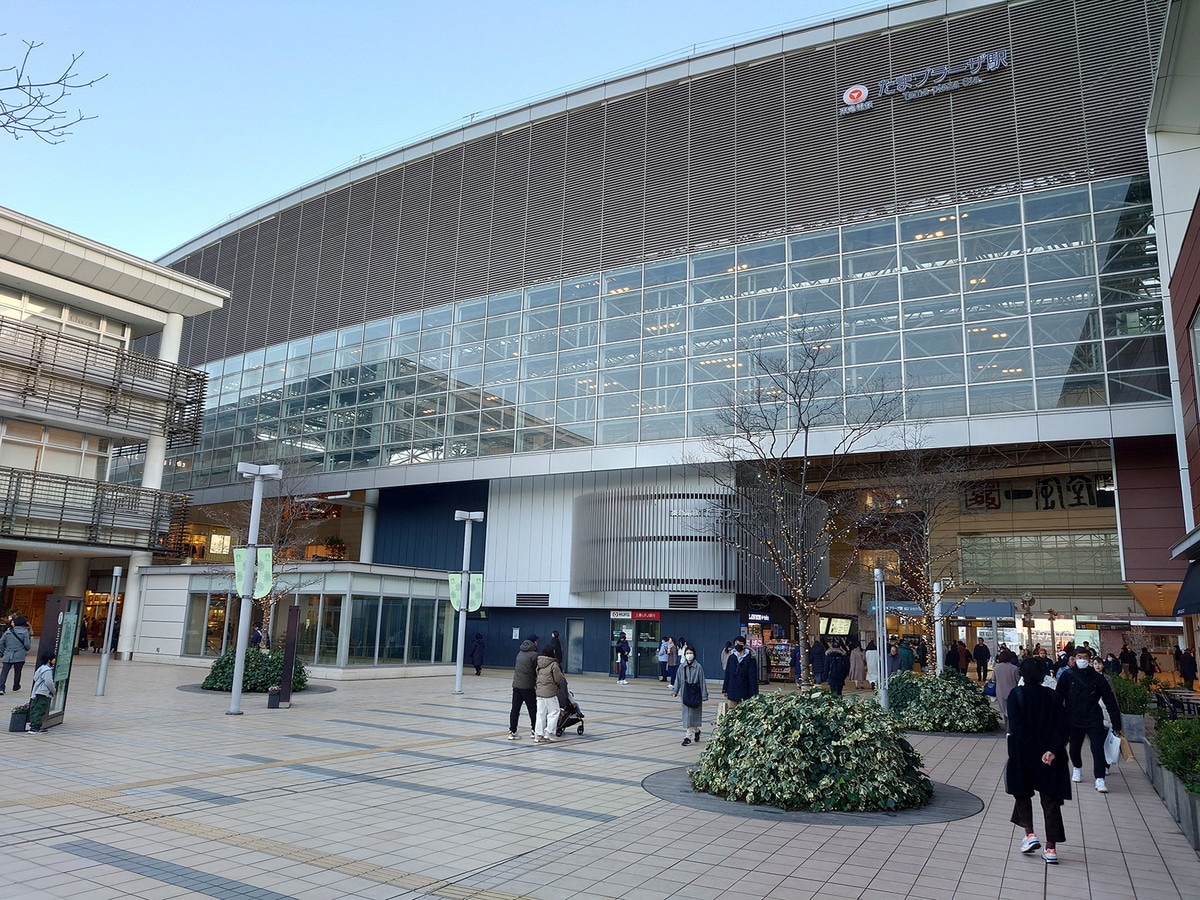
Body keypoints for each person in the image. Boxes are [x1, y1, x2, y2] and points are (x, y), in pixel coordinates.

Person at [1006, 657, 1072, 865]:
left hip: (1023, 753)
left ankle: (1030, 833)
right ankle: (1051, 848)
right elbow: (1063, 725)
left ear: (1022, 674)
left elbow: (1017, 726)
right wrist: (1051, 750)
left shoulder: (1015, 695)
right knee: (1051, 802)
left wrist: (1036, 749)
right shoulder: (1052, 696)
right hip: (1050, 758)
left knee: (1022, 791)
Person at [1056, 647, 1121, 793]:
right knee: (1074, 747)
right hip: (1073, 718)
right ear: (1074, 658)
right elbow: (1058, 698)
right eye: (1079, 657)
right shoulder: (1067, 675)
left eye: (1085, 657)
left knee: (1097, 749)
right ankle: (1077, 768)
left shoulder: (1098, 678)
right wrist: (1057, 719)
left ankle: (1100, 779)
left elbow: (1109, 700)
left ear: (1089, 659)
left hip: (1094, 718)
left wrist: (1116, 723)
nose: (1082, 660)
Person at [672, 644, 708, 745]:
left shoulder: (698, 667)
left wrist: (704, 695)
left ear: (694, 654)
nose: (689, 655)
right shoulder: (682, 667)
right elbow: (677, 680)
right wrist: (675, 691)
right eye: (687, 653)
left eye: (690, 653)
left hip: (695, 694)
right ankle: (696, 731)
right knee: (688, 716)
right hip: (685, 694)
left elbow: (702, 681)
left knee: (693, 716)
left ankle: (688, 737)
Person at [507, 635, 539, 740]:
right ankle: (534, 730)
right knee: (532, 709)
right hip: (528, 686)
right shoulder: (534, 655)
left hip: (516, 685)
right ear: (533, 642)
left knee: (515, 709)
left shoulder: (520, 653)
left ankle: (512, 731)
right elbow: (536, 671)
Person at [533, 647, 566, 743]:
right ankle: (548, 732)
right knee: (554, 711)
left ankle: (538, 735)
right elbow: (558, 678)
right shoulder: (553, 664)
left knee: (540, 713)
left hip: (539, 692)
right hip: (550, 692)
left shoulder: (539, 662)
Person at [0, 615, 32, 695]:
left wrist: (4, 651)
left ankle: (1, 687)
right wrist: (26, 649)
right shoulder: (25, 632)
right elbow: (27, 645)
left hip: (8, 654)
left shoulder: (8, 632)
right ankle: (16, 685)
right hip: (20, 654)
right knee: (18, 671)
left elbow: (1, 642)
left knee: (4, 672)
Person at [722, 637, 758, 706]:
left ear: (744, 645)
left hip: (745, 692)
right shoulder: (731, 658)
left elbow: (753, 678)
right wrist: (725, 689)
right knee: (731, 712)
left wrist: (753, 693)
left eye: (740, 644)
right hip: (733, 690)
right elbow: (727, 674)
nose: (737, 646)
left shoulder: (751, 659)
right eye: (736, 644)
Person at [27, 651, 57, 735]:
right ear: (49, 660)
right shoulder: (47, 670)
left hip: (36, 692)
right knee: (40, 709)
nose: (55, 660)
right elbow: (49, 682)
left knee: (35, 708)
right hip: (43, 692)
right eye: (54, 658)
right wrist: (54, 691)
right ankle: (35, 728)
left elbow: (35, 677)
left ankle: (34, 726)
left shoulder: (41, 668)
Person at [993, 649, 1020, 731]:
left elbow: (993, 679)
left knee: (1004, 710)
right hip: (1012, 691)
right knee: (1012, 710)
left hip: (1000, 691)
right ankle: (1012, 727)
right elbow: (1018, 680)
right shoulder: (1014, 668)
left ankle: (1007, 727)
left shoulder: (996, 667)